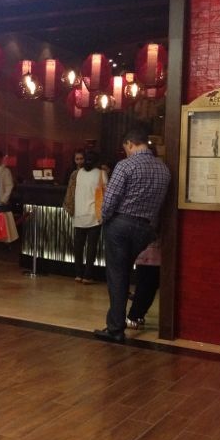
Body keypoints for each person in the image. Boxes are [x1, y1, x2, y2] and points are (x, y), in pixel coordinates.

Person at [94, 125, 170, 343]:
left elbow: (110, 200)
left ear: (129, 144)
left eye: (125, 147)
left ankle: (115, 328)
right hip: (146, 229)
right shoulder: (163, 168)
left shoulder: (125, 165)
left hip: (121, 226)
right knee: (125, 273)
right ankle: (119, 322)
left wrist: (104, 218)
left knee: (117, 277)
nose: (126, 151)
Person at [71, 150, 106, 284]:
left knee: (78, 247)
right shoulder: (101, 174)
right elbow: (107, 193)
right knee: (91, 247)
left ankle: (78, 274)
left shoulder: (78, 173)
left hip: (79, 213)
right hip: (94, 215)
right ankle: (87, 275)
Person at [126, 238, 161, 329]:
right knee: (144, 288)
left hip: (154, 252)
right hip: (147, 253)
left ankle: (138, 315)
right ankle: (133, 316)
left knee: (149, 288)